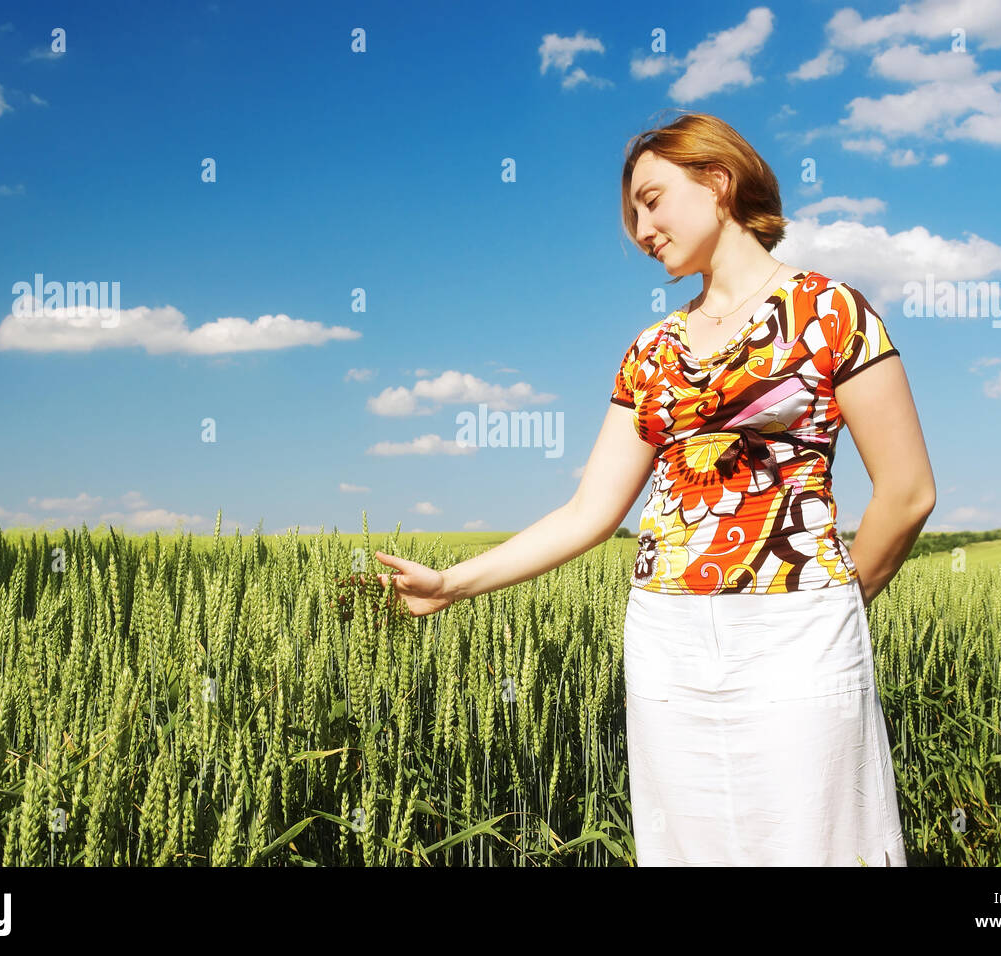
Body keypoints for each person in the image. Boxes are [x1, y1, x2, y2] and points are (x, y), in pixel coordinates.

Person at [373, 110, 935, 866]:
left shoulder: (833, 313)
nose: (640, 228)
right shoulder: (651, 351)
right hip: (664, 634)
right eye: (632, 212)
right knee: (688, 844)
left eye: (651, 199)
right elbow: (590, 512)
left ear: (718, 180)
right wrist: (452, 584)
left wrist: (831, 605)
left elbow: (906, 491)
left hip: (798, 628)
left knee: (818, 839)